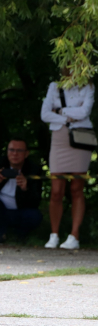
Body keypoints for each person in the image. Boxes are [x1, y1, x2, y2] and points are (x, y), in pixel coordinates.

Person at [40, 76, 95, 250]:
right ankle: (54, 235)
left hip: (81, 137)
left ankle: (74, 235)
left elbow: (84, 112)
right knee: (56, 190)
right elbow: (44, 114)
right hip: (59, 138)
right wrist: (68, 117)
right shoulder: (54, 86)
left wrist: (59, 111)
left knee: (76, 188)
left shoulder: (88, 86)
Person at [0, 139, 43, 244]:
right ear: (7, 152)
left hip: (20, 211)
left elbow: (36, 201)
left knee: (36, 216)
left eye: (19, 150)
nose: (15, 154)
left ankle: (20, 236)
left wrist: (25, 188)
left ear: (26, 154)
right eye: (11, 150)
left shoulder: (34, 169)